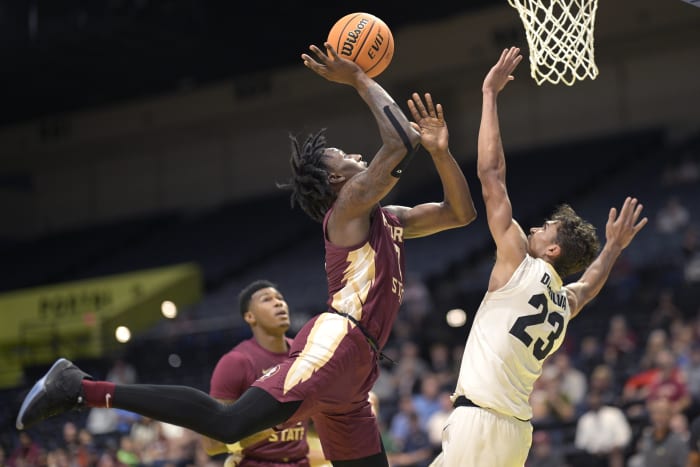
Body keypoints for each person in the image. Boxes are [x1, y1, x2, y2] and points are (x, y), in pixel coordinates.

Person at [16, 40, 477, 467]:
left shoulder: (389, 217)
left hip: (359, 369)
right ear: (335, 181)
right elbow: (398, 141)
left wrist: (441, 153)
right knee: (229, 422)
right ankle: (80, 388)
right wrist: (358, 77)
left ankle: (81, 388)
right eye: (339, 154)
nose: (352, 153)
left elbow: (460, 213)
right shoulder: (347, 208)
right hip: (336, 345)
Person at [428, 46, 648, 467]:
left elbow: (491, 176)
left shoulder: (519, 264)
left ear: (552, 249)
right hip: (515, 434)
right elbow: (588, 285)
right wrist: (613, 247)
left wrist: (489, 95)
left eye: (542, 228)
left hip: (481, 423)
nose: (531, 227)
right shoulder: (562, 304)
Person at [201, 279, 311, 466]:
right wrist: (273, 427)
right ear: (250, 317)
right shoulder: (236, 361)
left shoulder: (306, 354)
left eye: (280, 298)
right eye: (266, 299)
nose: (278, 303)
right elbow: (212, 444)